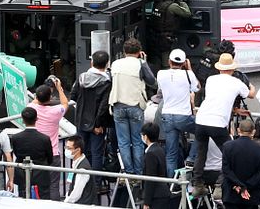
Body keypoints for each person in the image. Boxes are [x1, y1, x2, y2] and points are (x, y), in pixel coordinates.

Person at [191, 53, 255, 197]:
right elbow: (250, 95)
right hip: (218, 122)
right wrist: (250, 85)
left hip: (201, 119)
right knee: (230, 153)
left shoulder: (211, 79)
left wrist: (234, 109)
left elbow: (216, 99)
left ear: (219, 68)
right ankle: (220, 184)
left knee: (201, 152)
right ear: (232, 69)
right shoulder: (236, 82)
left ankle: (197, 184)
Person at [109, 38, 157, 175]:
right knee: (137, 141)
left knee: (123, 142)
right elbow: (152, 82)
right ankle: (139, 172)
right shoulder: (140, 63)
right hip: (135, 105)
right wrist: (145, 63)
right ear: (139, 52)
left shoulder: (115, 63)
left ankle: (128, 172)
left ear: (124, 51)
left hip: (118, 104)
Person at [157, 48, 200, 177]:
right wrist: (190, 69)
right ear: (183, 63)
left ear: (169, 61)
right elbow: (197, 88)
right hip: (183, 116)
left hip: (167, 116)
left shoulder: (160, 74)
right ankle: (191, 159)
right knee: (202, 131)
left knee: (171, 153)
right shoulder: (188, 74)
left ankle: (172, 183)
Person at [70, 50, 112, 172]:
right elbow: (103, 106)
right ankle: (96, 184)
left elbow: (73, 96)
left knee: (81, 152)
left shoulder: (82, 78)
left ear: (92, 62)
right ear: (107, 63)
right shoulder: (107, 82)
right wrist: (97, 125)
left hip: (81, 120)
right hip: (97, 124)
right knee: (97, 154)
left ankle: (82, 179)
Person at [29, 80, 69, 200]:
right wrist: (59, 88)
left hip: (36, 154)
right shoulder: (55, 111)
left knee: (35, 184)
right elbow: (65, 103)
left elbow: (35, 100)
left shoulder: (31, 108)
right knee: (53, 186)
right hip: (53, 154)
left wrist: (43, 91)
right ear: (50, 98)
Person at [221, 119, 260, 209]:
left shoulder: (227, 146)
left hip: (231, 193)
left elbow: (226, 170)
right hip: (251, 194)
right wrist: (246, 187)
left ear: (238, 130)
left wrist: (239, 186)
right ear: (253, 131)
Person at [10, 107, 54, 199]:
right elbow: (50, 158)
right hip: (41, 174)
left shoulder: (16, 138)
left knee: (24, 200)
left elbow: (16, 154)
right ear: (36, 119)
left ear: (22, 120)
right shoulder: (44, 138)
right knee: (43, 202)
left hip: (22, 175)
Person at [149, 0, 192, 69]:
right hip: (165, 39)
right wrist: (183, 2)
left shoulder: (157, 3)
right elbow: (187, 13)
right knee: (166, 64)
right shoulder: (172, 6)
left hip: (154, 36)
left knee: (157, 59)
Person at [140, 123, 170, 209]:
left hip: (156, 195)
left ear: (145, 136)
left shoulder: (150, 153)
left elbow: (150, 178)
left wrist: (147, 202)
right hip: (163, 192)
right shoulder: (159, 149)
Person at [63, 135, 97, 205]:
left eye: (69, 148)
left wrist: (65, 203)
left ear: (78, 150)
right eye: (65, 147)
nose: (66, 150)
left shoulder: (82, 169)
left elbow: (76, 194)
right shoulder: (76, 162)